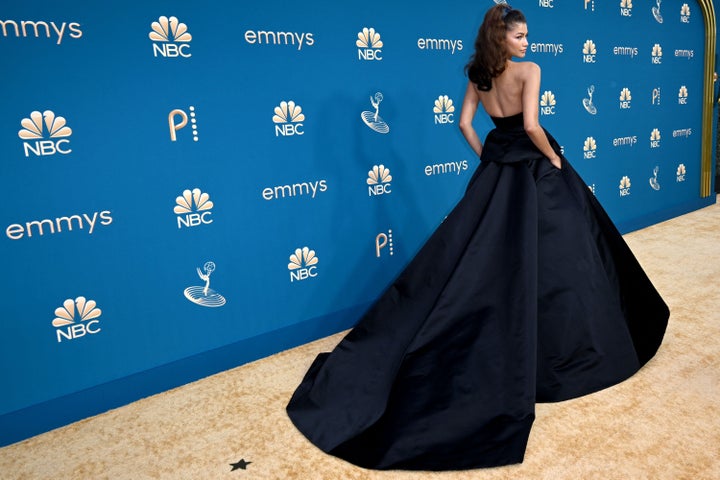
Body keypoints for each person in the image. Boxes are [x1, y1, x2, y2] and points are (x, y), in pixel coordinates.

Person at [286, 4, 669, 471]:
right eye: (520, 36)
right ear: (503, 38)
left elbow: (465, 123)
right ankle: (565, 354)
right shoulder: (530, 72)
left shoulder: (479, 75)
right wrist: (552, 160)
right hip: (534, 171)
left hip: (497, 171)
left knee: (494, 262)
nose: (527, 43)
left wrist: (488, 156)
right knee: (563, 260)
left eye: (527, 36)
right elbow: (530, 126)